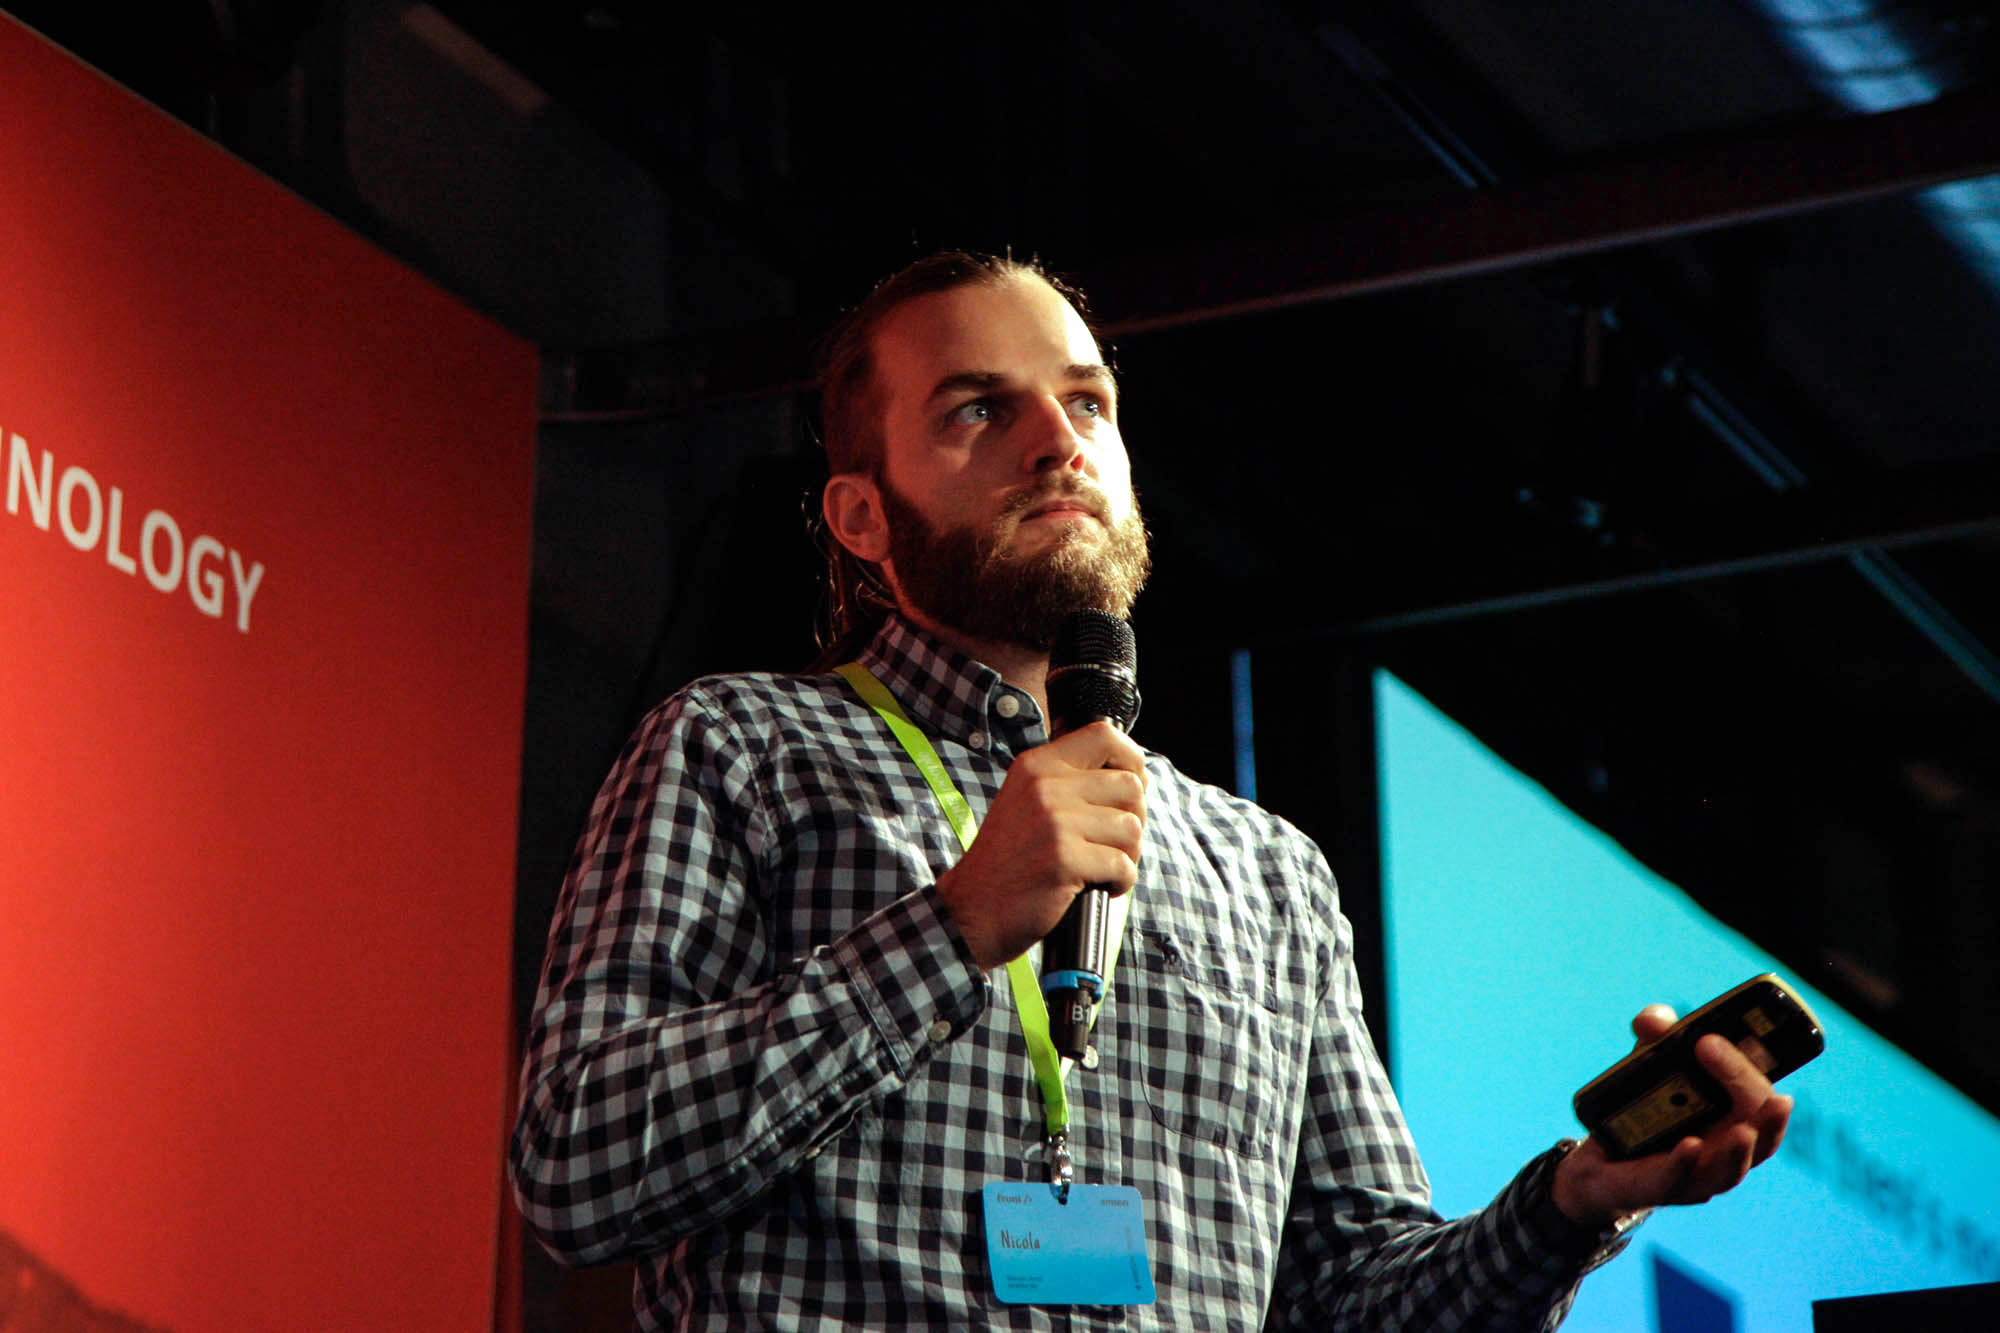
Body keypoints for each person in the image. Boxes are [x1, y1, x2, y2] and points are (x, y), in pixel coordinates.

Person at [509, 251, 1794, 1331]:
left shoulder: (1267, 869)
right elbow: (576, 1169)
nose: (1056, 443)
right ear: (861, 516)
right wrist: (954, 926)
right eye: (975, 410)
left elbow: (1356, 1298)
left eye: (1087, 404)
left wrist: (1576, 1199)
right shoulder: (738, 746)